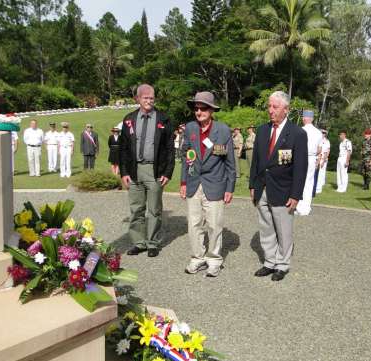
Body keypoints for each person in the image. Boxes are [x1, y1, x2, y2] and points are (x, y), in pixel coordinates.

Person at [249, 91, 308, 281]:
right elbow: (256, 161)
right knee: (266, 227)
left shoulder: (297, 133)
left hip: (284, 190)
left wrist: (296, 195)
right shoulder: (263, 130)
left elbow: (301, 167)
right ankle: (269, 261)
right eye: (269, 106)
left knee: (283, 229)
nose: (270, 111)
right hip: (262, 187)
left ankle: (282, 264)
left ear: (286, 110)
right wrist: (252, 185)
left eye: (275, 107)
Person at [180, 91, 236, 277]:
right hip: (194, 183)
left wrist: (230, 188)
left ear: (211, 110)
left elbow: (230, 164)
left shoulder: (223, 130)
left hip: (216, 184)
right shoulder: (189, 129)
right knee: (194, 224)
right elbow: (185, 158)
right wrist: (182, 182)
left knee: (214, 224)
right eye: (196, 108)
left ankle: (214, 260)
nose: (199, 111)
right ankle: (197, 258)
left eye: (203, 108)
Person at [120, 84, 175, 257]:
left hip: (154, 170)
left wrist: (167, 173)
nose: (149, 101)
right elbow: (123, 148)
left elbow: (169, 149)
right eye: (145, 98)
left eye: (151, 98)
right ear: (137, 99)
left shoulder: (163, 119)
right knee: (136, 208)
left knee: (154, 209)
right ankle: (139, 242)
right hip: (134, 170)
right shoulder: (128, 119)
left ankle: (152, 243)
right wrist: (124, 172)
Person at [295, 110, 322, 216]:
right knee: (309, 183)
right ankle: (306, 207)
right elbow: (319, 149)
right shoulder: (318, 132)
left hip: (301, 157)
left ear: (305, 118)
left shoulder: (300, 130)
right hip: (312, 158)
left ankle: (299, 206)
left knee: (299, 181)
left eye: (303, 117)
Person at [315, 129, 330, 194]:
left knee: (321, 174)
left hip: (322, 158)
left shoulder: (327, 141)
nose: (323, 134)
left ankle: (319, 188)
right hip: (317, 158)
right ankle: (315, 187)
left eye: (324, 133)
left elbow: (327, 151)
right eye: (322, 132)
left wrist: (324, 161)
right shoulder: (317, 139)